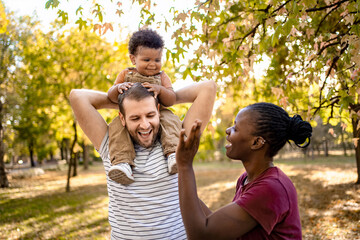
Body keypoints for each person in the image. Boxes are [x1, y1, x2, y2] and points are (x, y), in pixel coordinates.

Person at [69, 81, 216, 239]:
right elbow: (77, 96)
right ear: (122, 119)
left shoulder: (177, 141)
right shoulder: (111, 145)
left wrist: (163, 98)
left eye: (150, 115)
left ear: (158, 111)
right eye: (135, 117)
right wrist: (124, 101)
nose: (145, 125)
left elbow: (208, 88)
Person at [176, 102, 312, 240]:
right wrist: (178, 184)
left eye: (236, 128)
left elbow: (202, 235)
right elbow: (217, 227)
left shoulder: (271, 188)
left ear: (256, 142)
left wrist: (185, 166)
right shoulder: (246, 179)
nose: (228, 130)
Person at [107, 29, 181, 185]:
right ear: (133, 59)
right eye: (147, 60)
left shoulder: (161, 76)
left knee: (171, 119)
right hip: (131, 117)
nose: (153, 64)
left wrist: (161, 90)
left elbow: (171, 100)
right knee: (116, 126)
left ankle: (173, 154)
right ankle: (122, 162)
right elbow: (111, 96)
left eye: (157, 59)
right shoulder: (126, 74)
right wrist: (118, 89)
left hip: (156, 114)